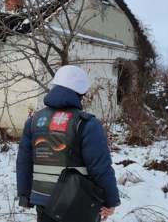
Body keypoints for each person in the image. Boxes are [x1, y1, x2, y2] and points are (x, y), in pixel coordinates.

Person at [16, 65, 120, 222]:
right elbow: (100, 167)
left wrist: (24, 195)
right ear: (80, 93)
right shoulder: (86, 123)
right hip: (78, 201)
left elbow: (23, 161)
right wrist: (111, 201)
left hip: (43, 203)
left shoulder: (34, 121)